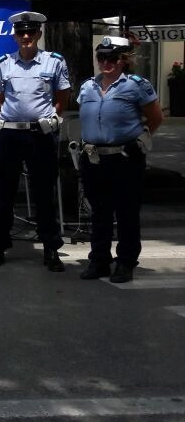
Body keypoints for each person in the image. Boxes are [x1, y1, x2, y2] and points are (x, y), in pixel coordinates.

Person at [0, 11, 72, 271]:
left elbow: (63, 94)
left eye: (31, 32)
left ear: (39, 34)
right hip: (10, 134)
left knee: (44, 193)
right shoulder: (3, 63)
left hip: (40, 134)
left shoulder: (54, 62)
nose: (26, 37)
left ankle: (50, 249)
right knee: (4, 192)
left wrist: (54, 117)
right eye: (21, 33)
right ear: (15, 36)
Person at [76, 36, 162, 283]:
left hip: (124, 158)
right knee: (99, 211)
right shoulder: (87, 87)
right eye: (101, 57)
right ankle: (100, 260)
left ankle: (125, 261)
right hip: (93, 157)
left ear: (124, 60)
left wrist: (139, 141)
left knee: (126, 212)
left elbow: (155, 118)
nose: (106, 63)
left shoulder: (137, 85)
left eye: (112, 58)